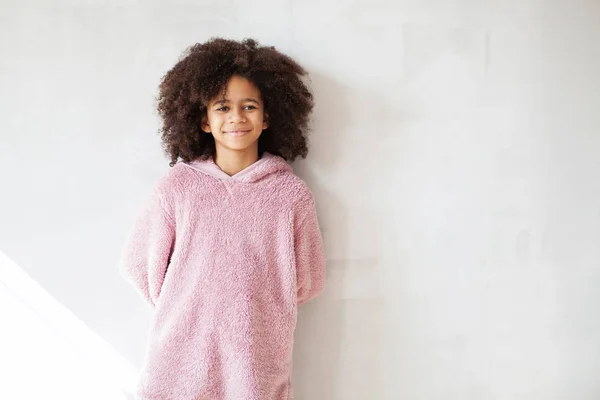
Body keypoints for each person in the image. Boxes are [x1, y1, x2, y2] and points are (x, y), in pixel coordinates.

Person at [119, 37, 326, 400]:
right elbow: (139, 264)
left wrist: (254, 303)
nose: (236, 117)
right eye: (222, 107)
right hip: (178, 360)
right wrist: (193, 303)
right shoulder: (178, 189)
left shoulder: (290, 196)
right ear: (203, 120)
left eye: (249, 106)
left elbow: (308, 280)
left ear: (267, 118)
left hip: (255, 364)